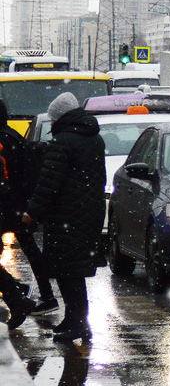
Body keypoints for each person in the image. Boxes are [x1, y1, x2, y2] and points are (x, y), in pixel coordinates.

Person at [22, 93, 105, 344]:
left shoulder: (63, 142)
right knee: (73, 269)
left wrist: (32, 212)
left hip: (66, 215)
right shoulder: (93, 139)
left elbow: (49, 183)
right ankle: (75, 319)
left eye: (52, 120)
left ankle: (78, 323)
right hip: (87, 212)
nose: (50, 124)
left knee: (68, 271)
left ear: (59, 118)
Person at [0, 100, 57, 317]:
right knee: (32, 252)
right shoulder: (14, 136)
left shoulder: (2, 141)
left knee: (30, 251)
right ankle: (46, 295)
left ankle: (16, 293)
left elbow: (3, 178)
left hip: (6, 206)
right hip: (20, 204)